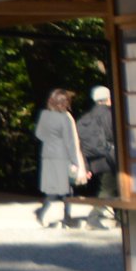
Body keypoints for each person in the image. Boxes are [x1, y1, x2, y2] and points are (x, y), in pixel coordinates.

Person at [33, 86, 88, 227]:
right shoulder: (65, 118)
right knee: (65, 188)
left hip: (47, 154)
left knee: (53, 187)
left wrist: (50, 141)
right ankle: (66, 218)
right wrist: (77, 162)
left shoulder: (45, 115)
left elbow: (39, 134)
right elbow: (71, 142)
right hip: (61, 155)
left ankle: (43, 211)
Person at [77, 84, 119, 226]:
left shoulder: (85, 118)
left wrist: (86, 165)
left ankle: (121, 219)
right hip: (110, 157)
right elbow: (115, 136)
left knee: (114, 187)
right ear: (108, 98)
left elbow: (81, 142)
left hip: (94, 160)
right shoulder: (110, 114)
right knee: (107, 189)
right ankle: (93, 219)